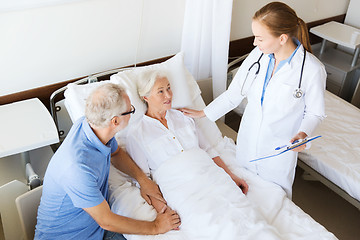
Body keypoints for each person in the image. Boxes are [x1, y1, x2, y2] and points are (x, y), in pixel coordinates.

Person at [181, 1, 326, 198]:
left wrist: (303, 133)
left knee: (274, 201)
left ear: (282, 38)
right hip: (247, 145)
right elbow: (235, 93)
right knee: (243, 195)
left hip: (277, 155)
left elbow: (315, 112)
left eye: (259, 38)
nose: (254, 43)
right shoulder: (258, 55)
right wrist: (203, 113)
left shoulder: (311, 69)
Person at [35, 83, 181, 240]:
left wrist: (143, 180)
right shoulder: (77, 168)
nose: (132, 112)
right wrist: (156, 227)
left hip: (94, 228)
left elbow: (116, 153)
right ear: (115, 121)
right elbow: (106, 221)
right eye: (130, 110)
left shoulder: (92, 127)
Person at [126, 70, 248, 214]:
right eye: (160, 91)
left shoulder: (184, 117)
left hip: (210, 177)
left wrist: (230, 176)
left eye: (169, 88)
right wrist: (162, 209)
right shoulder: (137, 133)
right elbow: (144, 179)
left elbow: (208, 150)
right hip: (181, 188)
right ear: (145, 96)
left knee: (240, 211)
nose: (169, 95)